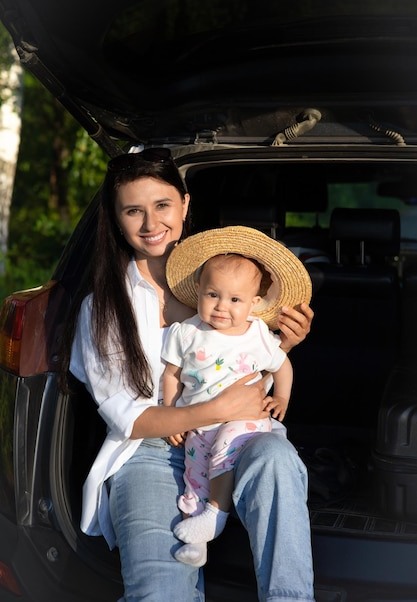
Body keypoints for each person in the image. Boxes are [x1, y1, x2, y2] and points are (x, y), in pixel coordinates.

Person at [63, 147, 316, 602]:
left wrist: (287, 345)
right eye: (132, 210)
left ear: (184, 203)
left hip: (237, 433)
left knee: (277, 460)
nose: (150, 223)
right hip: (150, 452)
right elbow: (129, 418)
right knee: (160, 594)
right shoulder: (101, 308)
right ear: (116, 219)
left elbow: (259, 360)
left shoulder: (236, 285)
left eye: (162, 205)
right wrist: (212, 409)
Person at [163, 241, 303, 567]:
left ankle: (216, 513)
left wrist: (280, 397)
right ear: (198, 289)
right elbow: (172, 375)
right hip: (198, 422)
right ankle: (199, 540)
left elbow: (282, 364)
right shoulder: (185, 332)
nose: (222, 306)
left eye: (235, 299)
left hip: (245, 421)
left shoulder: (257, 334)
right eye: (213, 294)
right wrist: (173, 415)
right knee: (194, 474)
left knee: (225, 446)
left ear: (253, 304)